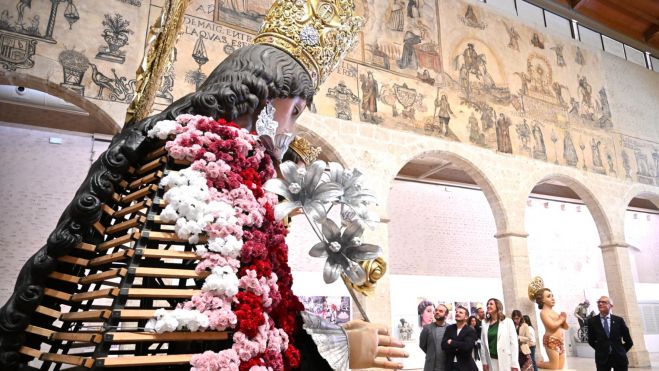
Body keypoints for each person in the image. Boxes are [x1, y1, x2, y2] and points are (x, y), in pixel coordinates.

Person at [0, 1, 410, 370]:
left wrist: (334, 339)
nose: (292, 132)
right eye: (296, 112)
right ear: (266, 100)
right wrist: (338, 351)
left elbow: (254, 305)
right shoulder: (212, 171)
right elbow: (231, 322)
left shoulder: (196, 160)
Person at [587, 296, 634, 371]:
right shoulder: (592, 321)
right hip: (602, 359)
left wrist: (621, 351)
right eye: (599, 302)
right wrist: (601, 350)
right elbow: (591, 340)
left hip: (619, 358)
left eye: (604, 302)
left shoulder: (619, 320)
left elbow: (629, 341)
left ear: (611, 306)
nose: (600, 304)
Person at [533, 287, 568, 370]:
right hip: (551, 340)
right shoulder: (543, 313)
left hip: (560, 341)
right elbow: (552, 326)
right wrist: (561, 319)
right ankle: (536, 363)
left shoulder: (555, 312)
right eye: (549, 296)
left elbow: (565, 327)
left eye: (552, 295)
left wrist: (564, 319)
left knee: (560, 367)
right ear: (543, 300)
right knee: (554, 366)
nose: (552, 298)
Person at [480, 298, 519, 371]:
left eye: (491, 304)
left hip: (506, 359)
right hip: (490, 360)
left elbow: (514, 344)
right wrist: (484, 362)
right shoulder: (484, 323)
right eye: (487, 304)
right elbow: (483, 344)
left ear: (498, 306)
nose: (488, 306)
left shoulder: (508, 322)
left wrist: (514, 363)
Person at [442, 306, 479, 371]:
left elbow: (467, 346)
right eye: (456, 312)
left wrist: (451, 342)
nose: (457, 313)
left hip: (466, 366)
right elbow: (443, 345)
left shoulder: (470, 330)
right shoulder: (449, 328)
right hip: (450, 366)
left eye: (460, 312)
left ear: (466, 317)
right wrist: (460, 345)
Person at [421, 304, 449, 371]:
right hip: (431, 366)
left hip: (446, 365)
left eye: (440, 311)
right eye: (436, 310)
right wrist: (432, 353)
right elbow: (422, 345)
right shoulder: (427, 328)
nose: (437, 312)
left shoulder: (450, 328)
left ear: (446, 315)